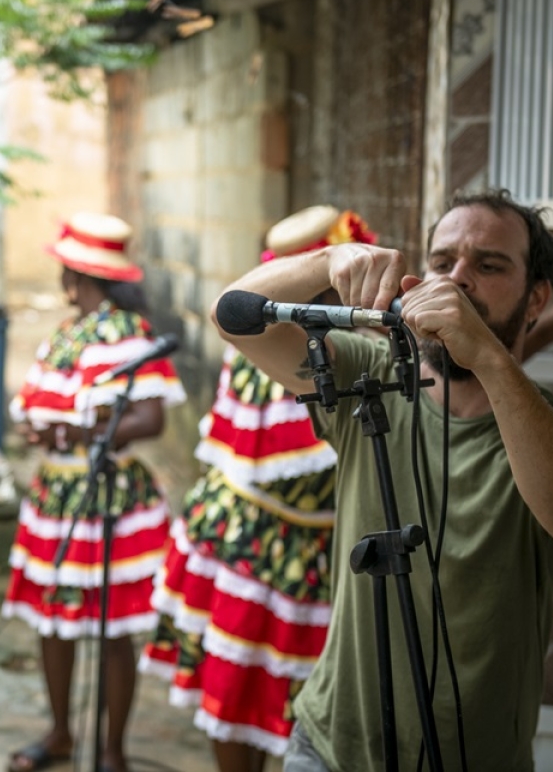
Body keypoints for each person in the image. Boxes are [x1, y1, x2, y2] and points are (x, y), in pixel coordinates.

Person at [214, 189, 553, 772]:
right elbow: (234, 315)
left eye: (488, 265)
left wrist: (486, 355)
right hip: (329, 749)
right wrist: (328, 262)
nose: (457, 280)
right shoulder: (368, 376)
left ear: (537, 300)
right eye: (442, 262)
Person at [141, 206, 377, 772]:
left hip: (310, 546)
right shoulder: (291, 345)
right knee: (241, 682)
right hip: (260, 543)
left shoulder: (349, 344)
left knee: (296, 699)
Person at [3, 213, 185, 772]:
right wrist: (38, 428)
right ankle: (61, 734)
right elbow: (37, 401)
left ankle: (112, 751)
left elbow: (150, 419)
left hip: (110, 496)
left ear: (77, 275)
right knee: (54, 619)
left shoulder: (129, 334)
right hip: (56, 494)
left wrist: (82, 433)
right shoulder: (65, 333)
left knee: (110, 625)